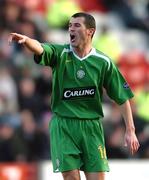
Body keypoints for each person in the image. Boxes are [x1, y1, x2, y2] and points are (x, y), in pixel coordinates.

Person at [8, 12, 140, 180]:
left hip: (91, 127)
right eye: (70, 25)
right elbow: (41, 47)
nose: (71, 29)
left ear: (90, 31)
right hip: (64, 126)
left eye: (77, 25)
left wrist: (130, 130)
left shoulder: (103, 62)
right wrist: (27, 41)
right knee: (71, 177)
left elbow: (121, 97)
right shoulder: (60, 53)